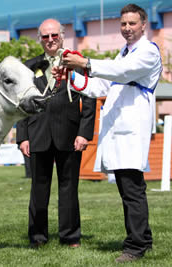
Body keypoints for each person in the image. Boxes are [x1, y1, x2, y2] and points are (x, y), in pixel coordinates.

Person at [58, 3, 162, 263]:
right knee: (128, 187)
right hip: (119, 129)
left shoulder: (148, 51)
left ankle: (135, 246)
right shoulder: (123, 53)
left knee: (132, 189)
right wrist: (72, 75)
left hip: (131, 128)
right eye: (124, 24)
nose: (127, 28)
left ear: (143, 25)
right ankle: (142, 239)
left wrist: (85, 61)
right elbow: (101, 84)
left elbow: (121, 72)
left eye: (132, 23)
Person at [16, 19, 96, 249]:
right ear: (40, 39)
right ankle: (37, 237)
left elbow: (89, 100)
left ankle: (71, 237)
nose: (50, 40)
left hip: (70, 136)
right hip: (37, 135)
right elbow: (22, 104)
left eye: (54, 35)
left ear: (62, 36)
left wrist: (84, 133)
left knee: (69, 189)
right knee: (38, 190)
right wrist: (23, 136)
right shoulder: (29, 67)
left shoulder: (77, 63)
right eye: (45, 36)